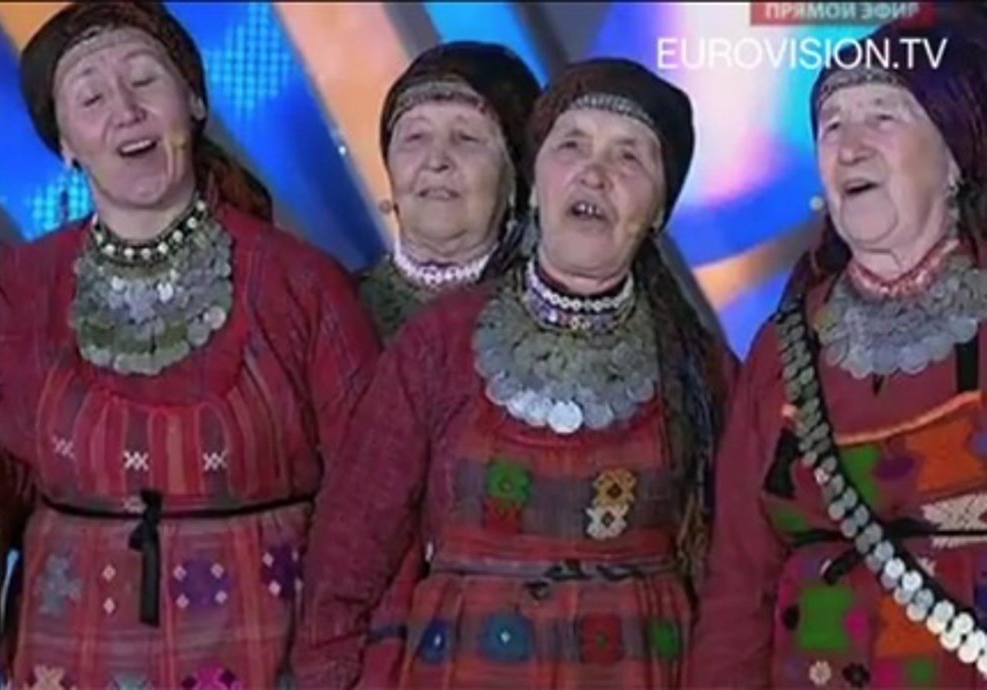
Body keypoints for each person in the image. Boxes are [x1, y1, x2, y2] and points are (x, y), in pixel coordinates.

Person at [292, 58, 738, 689]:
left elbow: (738, 570)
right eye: (571, 145)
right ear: (533, 181)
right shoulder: (439, 343)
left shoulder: (699, 370)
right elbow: (350, 550)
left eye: (629, 157)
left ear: (660, 208)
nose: (594, 173)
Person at [0, 3, 380, 688]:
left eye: (145, 80)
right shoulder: (23, 287)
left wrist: (340, 659)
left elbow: (371, 493)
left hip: (266, 652)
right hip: (68, 653)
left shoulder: (299, 282)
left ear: (194, 102)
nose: (126, 111)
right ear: (66, 144)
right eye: (91, 98)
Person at [689, 15, 987, 689]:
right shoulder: (783, 349)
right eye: (831, 126)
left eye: (882, 116)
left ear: (953, 159)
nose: (850, 148)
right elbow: (739, 581)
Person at [361, 41, 540, 339]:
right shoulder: (335, 307)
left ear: (515, 178)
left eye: (466, 138)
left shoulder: (550, 323)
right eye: (416, 137)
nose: (436, 161)